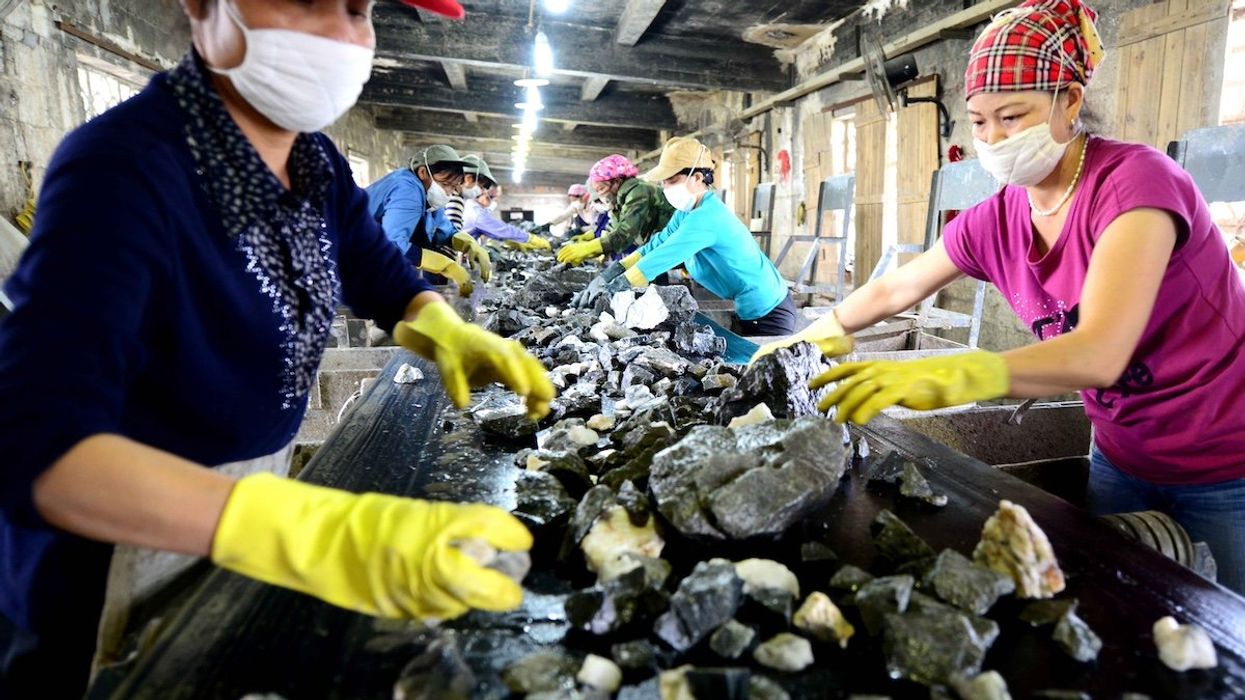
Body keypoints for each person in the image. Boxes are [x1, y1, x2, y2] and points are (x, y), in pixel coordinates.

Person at [0, 0, 554, 695]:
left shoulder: (313, 157)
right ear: (204, 8)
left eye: (359, 9)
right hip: (115, 550)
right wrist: (309, 532)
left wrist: (441, 324)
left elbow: (375, 268)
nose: (342, 33)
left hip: (251, 502)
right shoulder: (124, 169)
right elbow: (37, 444)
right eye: (308, 0)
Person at [757, 0, 1245, 594]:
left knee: (1219, 636)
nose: (993, 139)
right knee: (1116, 614)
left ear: (1068, 100)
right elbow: (899, 285)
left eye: (1012, 117)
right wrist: (819, 330)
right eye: (980, 122)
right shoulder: (998, 219)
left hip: (1224, 462)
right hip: (1120, 455)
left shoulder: (1134, 183)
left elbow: (1099, 354)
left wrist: (952, 377)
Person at [595, 136, 796, 336]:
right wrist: (618, 268)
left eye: (672, 180)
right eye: (664, 181)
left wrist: (621, 283)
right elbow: (657, 243)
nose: (666, 187)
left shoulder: (707, 217)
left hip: (769, 313)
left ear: (698, 178)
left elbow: (666, 255)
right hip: (749, 308)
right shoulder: (686, 212)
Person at [366, 144, 483, 291]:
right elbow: (393, 243)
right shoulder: (406, 188)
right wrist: (446, 265)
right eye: (446, 184)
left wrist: (469, 244)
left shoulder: (429, 198)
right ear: (423, 172)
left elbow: (443, 230)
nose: (449, 192)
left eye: (453, 187)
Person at [556, 154, 674, 265]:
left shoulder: (638, 192)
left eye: (601, 188)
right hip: (658, 245)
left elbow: (625, 234)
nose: (601, 194)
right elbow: (613, 228)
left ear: (617, 182)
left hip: (673, 245)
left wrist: (589, 247)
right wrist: (591, 246)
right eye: (597, 191)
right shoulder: (619, 200)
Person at [459, 157, 551, 253]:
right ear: (468, 179)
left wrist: (508, 240)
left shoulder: (470, 206)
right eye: (482, 187)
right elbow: (500, 228)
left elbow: (494, 230)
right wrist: (530, 238)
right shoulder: (475, 212)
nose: (483, 191)